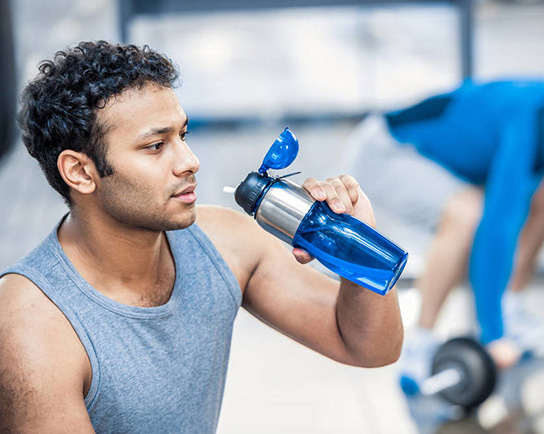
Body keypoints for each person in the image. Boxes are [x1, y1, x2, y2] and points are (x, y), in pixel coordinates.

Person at [0, 41, 403, 432]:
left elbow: (368, 346)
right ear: (81, 172)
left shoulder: (224, 241)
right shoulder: (32, 327)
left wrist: (354, 241)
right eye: (156, 146)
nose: (190, 162)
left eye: (183, 136)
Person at [344, 26, 544, 376]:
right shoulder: (536, 119)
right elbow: (499, 223)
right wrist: (492, 335)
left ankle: (512, 306)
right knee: (469, 212)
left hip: (446, 161)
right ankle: (420, 344)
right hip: (388, 149)